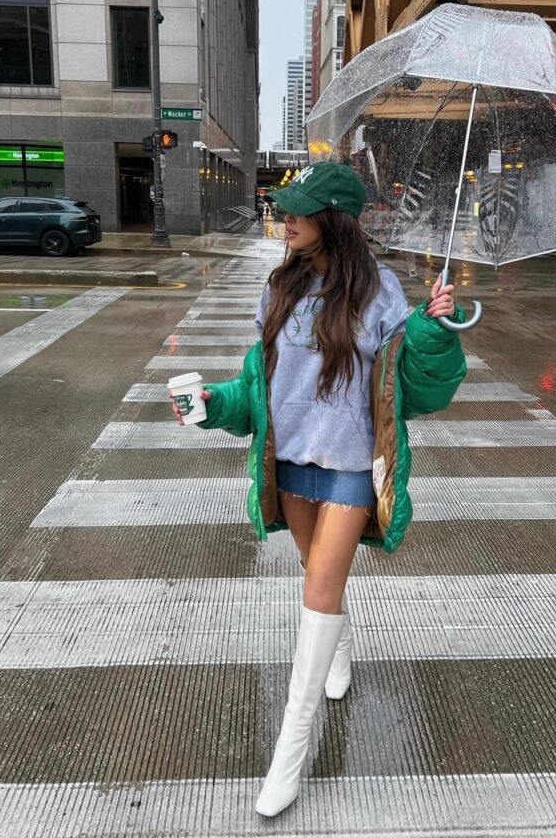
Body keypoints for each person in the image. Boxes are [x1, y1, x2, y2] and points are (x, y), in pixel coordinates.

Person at [196, 161, 467, 817]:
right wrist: (214, 404)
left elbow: (423, 394)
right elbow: (260, 390)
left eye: (298, 209)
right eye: (284, 207)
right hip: (289, 461)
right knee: (312, 572)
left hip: (349, 465)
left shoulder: (380, 294)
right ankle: (339, 656)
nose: (284, 218)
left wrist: (432, 333)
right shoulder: (278, 289)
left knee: (318, 587)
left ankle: (288, 755)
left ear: (334, 220)